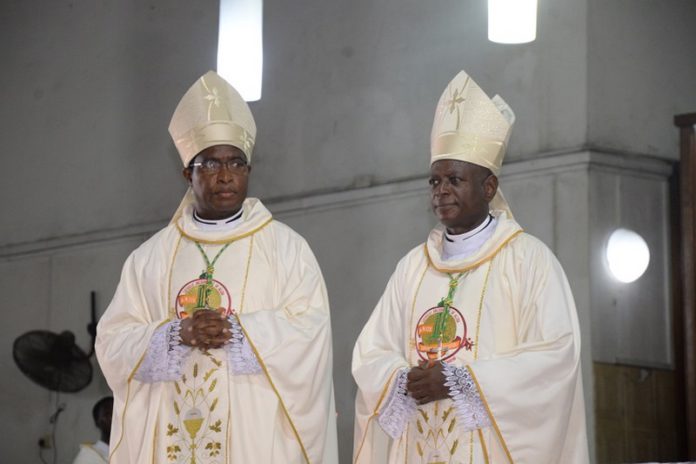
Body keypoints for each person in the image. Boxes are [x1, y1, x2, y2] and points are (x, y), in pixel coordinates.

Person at [96, 71, 338, 463]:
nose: (225, 176)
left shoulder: (286, 248)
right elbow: (111, 343)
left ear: (248, 171)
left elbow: (311, 333)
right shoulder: (151, 258)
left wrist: (241, 332)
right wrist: (174, 333)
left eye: (236, 163)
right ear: (187, 174)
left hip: (254, 441)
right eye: (210, 164)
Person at [352, 71, 589, 463]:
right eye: (434, 181)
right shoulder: (413, 267)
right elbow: (372, 351)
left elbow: (555, 357)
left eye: (455, 179)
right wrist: (401, 379)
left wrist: (461, 380)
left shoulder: (528, 260)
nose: (441, 190)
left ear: (489, 187)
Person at [72, 396, 113, 464]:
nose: (114, 418)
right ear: (97, 422)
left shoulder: (128, 453)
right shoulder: (87, 458)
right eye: (108, 415)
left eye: (118, 413)